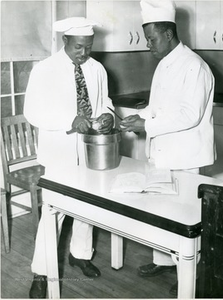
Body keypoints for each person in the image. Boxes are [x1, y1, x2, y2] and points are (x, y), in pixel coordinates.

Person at [120, 0, 215, 295]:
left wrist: (146, 126)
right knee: (162, 210)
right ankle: (164, 260)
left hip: (185, 154)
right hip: (164, 151)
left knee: (186, 216)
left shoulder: (194, 67)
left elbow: (190, 115)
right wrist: (143, 115)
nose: (148, 45)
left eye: (152, 39)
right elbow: (159, 107)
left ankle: (191, 269)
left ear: (169, 35)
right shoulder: (164, 64)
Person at [24, 17, 114, 298]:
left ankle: (80, 254)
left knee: (87, 206)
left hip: (90, 150)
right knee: (55, 212)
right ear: (64, 41)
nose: (84, 53)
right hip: (59, 151)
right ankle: (41, 272)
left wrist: (109, 115)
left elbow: (105, 102)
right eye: (78, 47)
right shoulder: (44, 70)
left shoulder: (97, 69)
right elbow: (32, 112)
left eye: (88, 47)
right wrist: (68, 120)